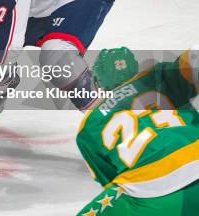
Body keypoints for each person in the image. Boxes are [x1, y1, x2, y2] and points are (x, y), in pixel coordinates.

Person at [75, 47, 198, 216]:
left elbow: (112, 181)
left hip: (153, 191)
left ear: (98, 82)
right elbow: (193, 60)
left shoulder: (90, 125)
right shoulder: (157, 76)